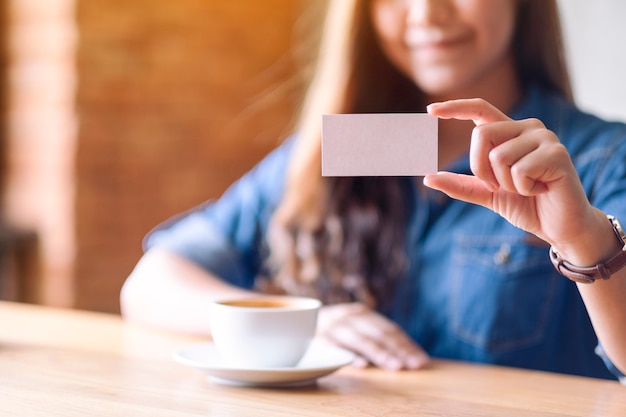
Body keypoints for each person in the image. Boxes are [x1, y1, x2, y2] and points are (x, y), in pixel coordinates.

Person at [120, 0, 626, 381]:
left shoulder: (597, 157)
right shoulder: (360, 145)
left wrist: (586, 242)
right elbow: (151, 283)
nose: (427, 13)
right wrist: (306, 325)